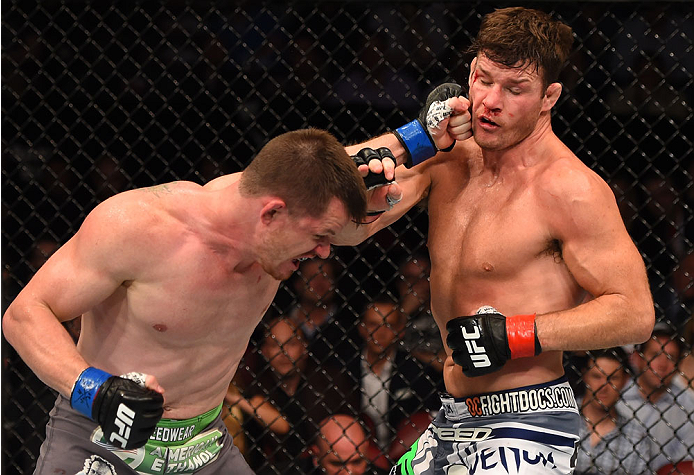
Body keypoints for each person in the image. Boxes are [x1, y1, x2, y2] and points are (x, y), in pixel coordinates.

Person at [336, 7, 654, 474]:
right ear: (470, 73)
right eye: (484, 80)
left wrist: (517, 333)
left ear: (549, 97)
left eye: (515, 89)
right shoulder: (449, 154)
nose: (490, 101)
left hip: (528, 420)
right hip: (452, 417)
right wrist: (416, 138)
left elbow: (635, 313)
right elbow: (343, 222)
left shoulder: (570, 190)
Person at [1, 128, 374, 474]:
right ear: (273, 213)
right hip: (103, 436)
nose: (326, 251)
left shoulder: (284, 220)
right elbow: (24, 314)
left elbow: (392, 171)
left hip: (203, 447)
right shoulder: (138, 225)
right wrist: (96, 391)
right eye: (320, 236)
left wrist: (421, 135)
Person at [346, 296, 442, 451]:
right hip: (355, 451)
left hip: (407, 455)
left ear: (400, 330)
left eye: (388, 325)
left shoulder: (417, 371)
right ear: (362, 328)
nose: (380, 332)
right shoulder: (344, 368)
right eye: (373, 325)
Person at [618, 327, 694, 471]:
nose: (662, 364)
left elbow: (684, 465)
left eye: (670, 357)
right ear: (638, 358)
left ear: (678, 365)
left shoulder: (687, 406)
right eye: (655, 355)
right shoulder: (617, 395)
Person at [575, 347, 656, 474]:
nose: (603, 386)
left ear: (625, 380)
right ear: (584, 375)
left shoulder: (636, 439)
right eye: (596, 376)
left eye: (613, 378)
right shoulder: (559, 420)